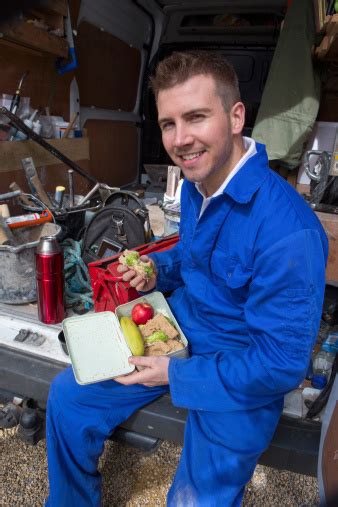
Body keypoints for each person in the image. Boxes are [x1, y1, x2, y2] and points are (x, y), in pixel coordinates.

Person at [45, 50, 328, 506]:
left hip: (241, 372)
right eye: (168, 123)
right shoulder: (200, 184)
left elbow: (279, 364)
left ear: (236, 117)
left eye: (196, 117)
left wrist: (177, 376)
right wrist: (159, 269)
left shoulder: (289, 232)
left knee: (195, 500)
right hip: (177, 331)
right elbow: (196, 256)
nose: (181, 139)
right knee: (68, 398)